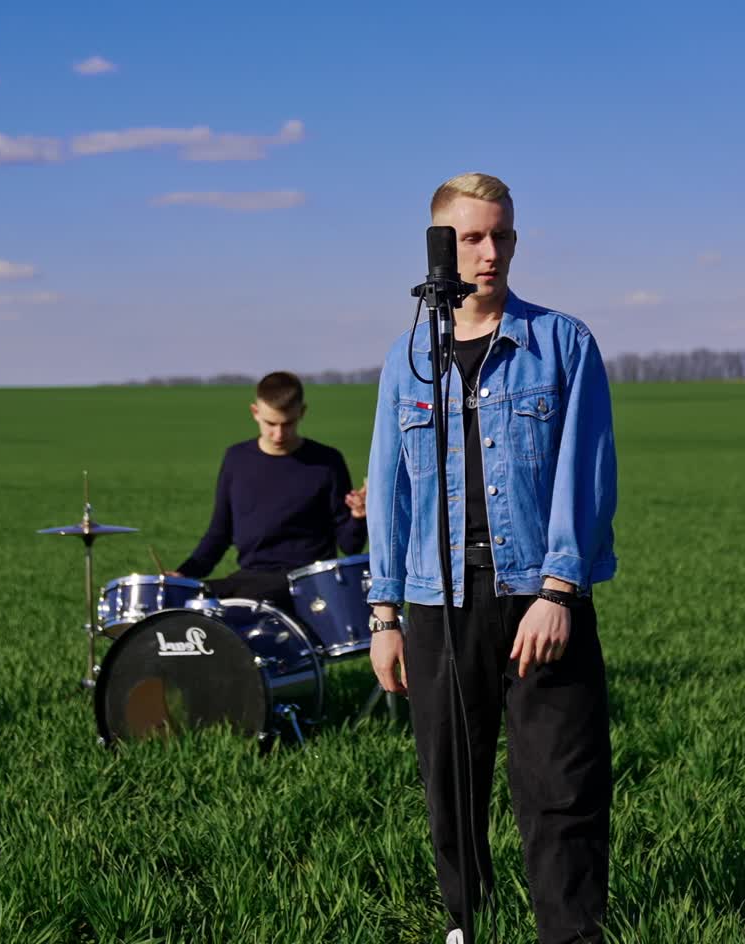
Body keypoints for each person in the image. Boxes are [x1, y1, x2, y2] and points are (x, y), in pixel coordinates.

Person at [365, 173, 617, 944]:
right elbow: (389, 488)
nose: (489, 252)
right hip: (436, 602)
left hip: (536, 596)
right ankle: (464, 926)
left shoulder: (562, 344)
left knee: (562, 785)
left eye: (501, 236)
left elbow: (588, 471)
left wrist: (560, 589)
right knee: (451, 786)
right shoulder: (409, 358)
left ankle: (568, 933)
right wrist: (383, 612)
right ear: (440, 244)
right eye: (471, 237)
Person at [169, 370, 367, 614]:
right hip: (249, 579)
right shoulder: (236, 459)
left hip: (304, 583)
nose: (279, 434)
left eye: (288, 424)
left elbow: (350, 546)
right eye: (270, 424)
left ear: (302, 413)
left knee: (243, 599)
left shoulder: (326, 462)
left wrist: (358, 517)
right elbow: (218, 535)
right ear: (255, 413)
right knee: (176, 603)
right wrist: (182, 575)